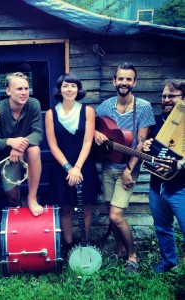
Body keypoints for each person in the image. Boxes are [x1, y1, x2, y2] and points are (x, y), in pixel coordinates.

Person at [94, 62, 155, 273]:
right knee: (111, 210)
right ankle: (119, 250)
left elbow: (140, 143)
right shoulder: (105, 106)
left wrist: (129, 169)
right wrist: (95, 134)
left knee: (115, 216)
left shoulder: (143, 107)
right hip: (108, 165)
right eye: (121, 78)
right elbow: (95, 127)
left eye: (128, 79)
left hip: (128, 167)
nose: (124, 82)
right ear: (114, 81)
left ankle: (132, 256)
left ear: (135, 82)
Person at [45, 73, 99, 253]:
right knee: (66, 208)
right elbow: (52, 145)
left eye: (73, 86)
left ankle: (84, 243)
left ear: (78, 89)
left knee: (86, 207)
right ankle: (69, 246)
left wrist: (77, 168)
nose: (69, 89)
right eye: (66, 86)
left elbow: (87, 142)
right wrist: (69, 168)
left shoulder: (88, 111)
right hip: (62, 169)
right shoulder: (51, 114)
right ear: (59, 89)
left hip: (84, 166)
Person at [143, 79, 185, 273]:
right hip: (157, 187)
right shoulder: (158, 122)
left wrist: (179, 164)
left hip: (180, 188)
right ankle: (169, 262)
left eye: (172, 96)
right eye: (164, 96)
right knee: (162, 228)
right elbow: (154, 153)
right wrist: (146, 147)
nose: (166, 99)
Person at [0, 72, 43, 216]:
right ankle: (18, 216)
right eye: (19, 89)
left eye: (26, 88)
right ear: (8, 91)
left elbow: (38, 133)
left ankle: (31, 198)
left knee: (34, 150)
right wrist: (11, 142)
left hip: (26, 152)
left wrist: (19, 147)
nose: (24, 92)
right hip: (7, 157)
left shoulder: (33, 104)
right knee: (12, 196)